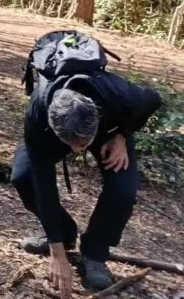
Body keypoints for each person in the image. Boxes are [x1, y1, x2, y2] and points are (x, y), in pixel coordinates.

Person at [11, 32, 163, 296]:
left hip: (108, 130)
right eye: (75, 146)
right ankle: (64, 234)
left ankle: (95, 253)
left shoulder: (121, 95)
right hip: (57, 129)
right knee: (23, 178)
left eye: (83, 144)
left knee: (123, 189)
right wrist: (57, 254)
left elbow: (154, 100)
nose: (79, 151)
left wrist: (120, 136)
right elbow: (44, 184)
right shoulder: (38, 115)